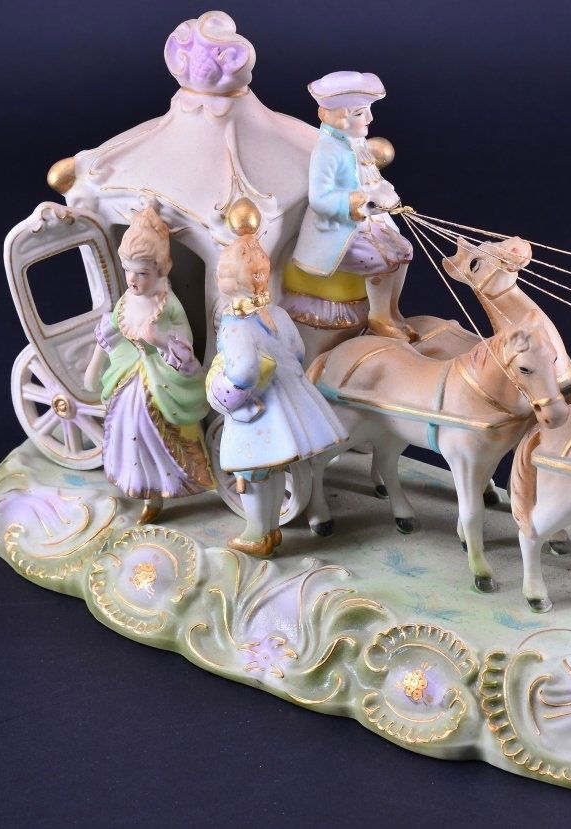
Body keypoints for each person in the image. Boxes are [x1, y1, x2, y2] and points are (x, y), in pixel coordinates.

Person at [208, 233, 349, 556]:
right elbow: (298, 352)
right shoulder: (277, 313)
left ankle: (258, 534)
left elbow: (243, 373)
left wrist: (219, 388)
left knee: (251, 473)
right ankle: (271, 530)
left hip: (257, 409)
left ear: (226, 282)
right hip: (291, 400)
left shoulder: (235, 325)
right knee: (271, 470)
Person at [83, 207, 213, 522]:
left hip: (161, 382)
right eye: (128, 271)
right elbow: (111, 331)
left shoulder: (167, 306)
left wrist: (161, 339)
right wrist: (94, 365)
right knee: (129, 436)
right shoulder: (127, 301)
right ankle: (148, 495)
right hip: (130, 377)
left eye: (142, 273)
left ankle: (173, 483)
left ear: (161, 271)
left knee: (159, 434)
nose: (133, 280)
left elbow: (184, 346)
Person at [287, 70, 416, 343]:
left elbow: (369, 178)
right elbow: (320, 198)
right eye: (360, 113)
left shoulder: (356, 143)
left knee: (405, 250)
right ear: (339, 118)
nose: (370, 118)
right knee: (382, 260)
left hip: (365, 224)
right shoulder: (327, 151)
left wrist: (385, 192)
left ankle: (391, 312)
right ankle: (379, 316)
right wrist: (360, 201)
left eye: (367, 111)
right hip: (336, 230)